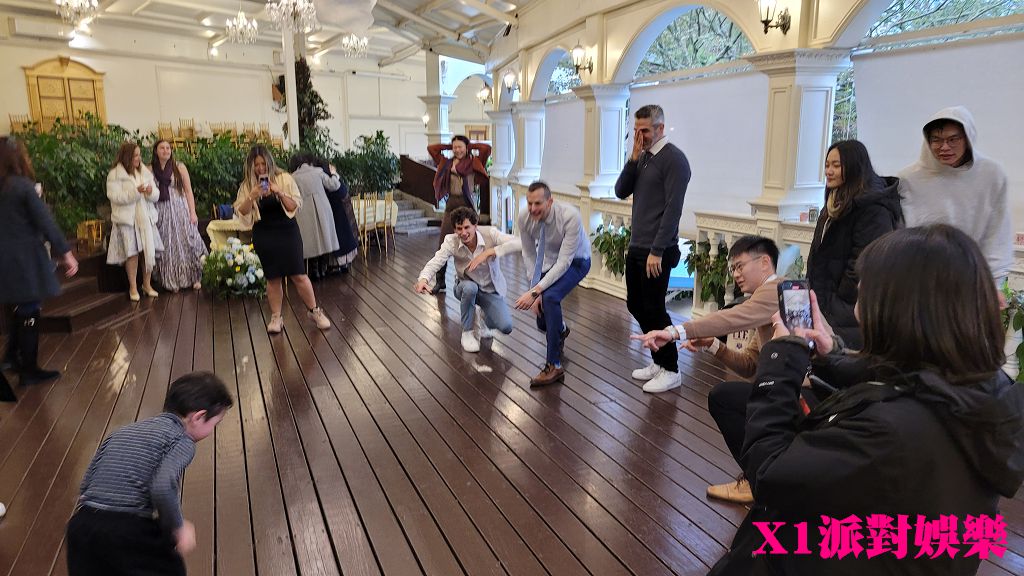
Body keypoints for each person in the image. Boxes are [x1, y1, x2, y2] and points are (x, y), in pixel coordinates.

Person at [712, 225, 1024, 575]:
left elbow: (770, 473)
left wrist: (780, 360)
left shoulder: (892, 431)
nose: (858, 312)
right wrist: (832, 355)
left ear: (898, 310)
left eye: (864, 297)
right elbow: (912, 379)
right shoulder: (987, 390)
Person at [633, 236, 781, 503]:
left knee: (724, 399)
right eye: (733, 268)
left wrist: (674, 332)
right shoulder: (765, 306)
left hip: (801, 393)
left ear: (764, 262)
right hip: (783, 390)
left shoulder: (776, 290)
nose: (736, 274)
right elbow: (749, 365)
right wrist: (712, 344)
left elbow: (731, 318)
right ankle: (762, 476)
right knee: (725, 395)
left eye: (740, 266)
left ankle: (759, 479)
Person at [66, 371, 233, 576]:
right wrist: (178, 527)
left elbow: (86, 484)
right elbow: (162, 487)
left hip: (81, 526)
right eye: (214, 424)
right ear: (198, 417)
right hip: (126, 529)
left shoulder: (122, 432)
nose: (212, 431)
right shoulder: (182, 440)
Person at [897, 106, 1017, 376]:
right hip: (921, 284)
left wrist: (993, 284)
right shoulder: (908, 179)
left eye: (953, 139)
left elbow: (996, 234)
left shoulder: (991, 175)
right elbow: (900, 236)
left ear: (968, 137)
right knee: (920, 356)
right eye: (936, 140)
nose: (944, 147)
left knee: (966, 358)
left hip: (970, 282)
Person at [615, 104, 691, 393]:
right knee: (635, 305)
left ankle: (671, 369)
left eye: (644, 130)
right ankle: (658, 361)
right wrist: (633, 158)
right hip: (637, 245)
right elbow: (621, 191)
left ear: (660, 128)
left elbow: (673, 210)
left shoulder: (675, 160)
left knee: (654, 308)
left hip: (657, 250)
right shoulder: (643, 158)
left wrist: (657, 250)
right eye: (636, 130)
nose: (639, 136)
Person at [0, 136, 79, 398]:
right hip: (24, 258)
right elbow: (45, 222)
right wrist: (66, 253)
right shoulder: (22, 187)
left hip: (4, 258)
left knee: (17, 306)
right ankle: (29, 370)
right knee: (30, 307)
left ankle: (11, 357)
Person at [806, 139, 901, 349]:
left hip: (847, 311)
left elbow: (866, 262)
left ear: (854, 167)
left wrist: (839, 299)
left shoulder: (874, 209)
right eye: (827, 165)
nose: (829, 171)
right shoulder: (834, 202)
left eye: (836, 165)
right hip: (825, 303)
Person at [233, 145, 330, 334]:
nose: (260, 168)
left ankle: (314, 311)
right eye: (256, 165)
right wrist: (252, 196)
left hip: (287, 231)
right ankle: (276, 317)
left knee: (299, 274)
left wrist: (279, 192)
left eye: (263, 163)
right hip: (264, 233)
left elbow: (294, 206)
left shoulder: (284, 178)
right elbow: (241, 212)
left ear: (269, 163)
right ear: (251, 166)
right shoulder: (247, 185)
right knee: (273, 278)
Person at [515, 181, 591, 387]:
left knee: (549, 298)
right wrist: (534, 288)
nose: (532, 208)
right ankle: (561, 329)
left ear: (550, 202)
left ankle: (554, 365)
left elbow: (565, 262)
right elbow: (529, 254)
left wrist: (537, 292)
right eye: (529, 203)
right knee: (543, 320)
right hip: (549, 262)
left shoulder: (570, 216)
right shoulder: (524, 217)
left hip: (577, 261)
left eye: (538, 203)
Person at [414, 206, 521, 352]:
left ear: (475, 226)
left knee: (506, 326)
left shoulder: (490, 233)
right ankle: (467, 332)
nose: (463, 233)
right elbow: (436, 261)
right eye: (459, 229)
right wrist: (423, 279)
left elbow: (519, 243)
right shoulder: (451, 241)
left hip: (490, 290)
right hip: (465, 286)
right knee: (471, 288)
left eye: (466, 227)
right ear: (454, 229)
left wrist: (490, 251)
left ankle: (484, 316)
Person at [427, 136, 491, 294]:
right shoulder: (446, 162)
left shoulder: (474, 162)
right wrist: (450, 146)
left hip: (467, 204)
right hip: (451, 204)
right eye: (455, 147)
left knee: (472, 244)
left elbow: (486, 149)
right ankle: (440, 281)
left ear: (466, 148)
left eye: (460, 147)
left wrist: (468, 145)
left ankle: (475, 278)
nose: (457, 150)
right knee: (442, 243)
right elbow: (432, 149)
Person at [107, 141, 163, 302]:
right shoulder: (115, 174)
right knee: (131, 253)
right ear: (127, 157)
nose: (139, 158)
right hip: (128, 219)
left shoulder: (144, 172)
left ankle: (147, 284)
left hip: (145, 217)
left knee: (147, 251)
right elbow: (115, 197)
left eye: (139, 155)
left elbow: (156, 195)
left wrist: (150, 192)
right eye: (135, 155)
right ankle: (133, 287)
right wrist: (136, 192)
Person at [150, 140, 207, 292]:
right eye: (162, 148)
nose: (166, 150)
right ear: (156, 151)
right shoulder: (150, 169)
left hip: (180, 209)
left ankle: (195, 277)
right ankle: (172, 279)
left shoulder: (179, 167)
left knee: (189, 241)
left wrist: (193, 212)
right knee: (167, 245)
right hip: (161, 211)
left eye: (168, 148)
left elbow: (188, 191)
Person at [289, 153, 340, 280]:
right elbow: (334, 185)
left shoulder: (293, 177)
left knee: (311, 240)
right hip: (323, 207)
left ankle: (315, 271)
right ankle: (324, 269)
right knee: (325, 237)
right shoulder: (318, 172)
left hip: (304, 211)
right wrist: (334, 174)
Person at [320, 157, 358, 273]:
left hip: (337, 215)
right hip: (338, 215)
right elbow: (342, 192)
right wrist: (335, 176)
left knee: (340, 241)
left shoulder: (330, 182)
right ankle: (341, 264)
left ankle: (340, 265)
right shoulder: (332, 182)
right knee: (341, 240)